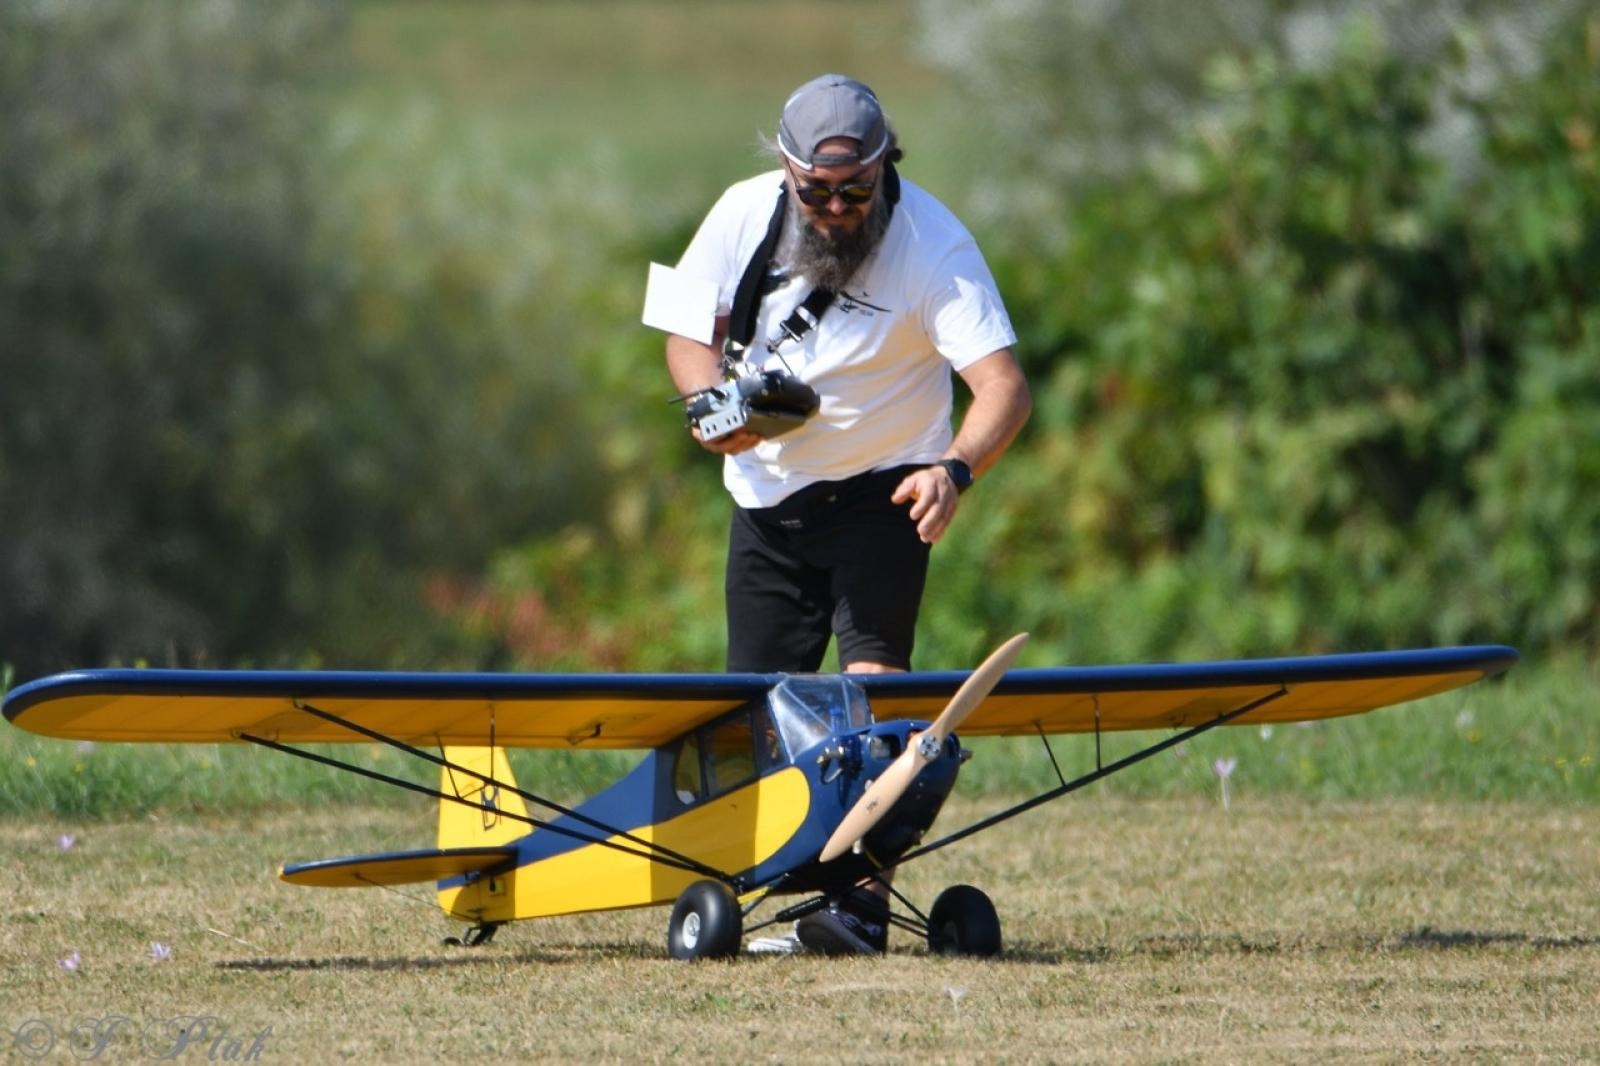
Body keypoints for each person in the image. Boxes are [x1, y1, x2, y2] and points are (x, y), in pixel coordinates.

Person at [663, 74, 1031, 954]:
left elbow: (1005, 387)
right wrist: (713, 410)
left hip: (883, 493)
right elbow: (686, 337)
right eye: (815, 192)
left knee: (871, 705)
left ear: (884, 168)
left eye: (855, 191)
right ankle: (766, 903)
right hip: (764, 501)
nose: (834, 209)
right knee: (758, 714)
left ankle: (861, 909)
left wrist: (955, 469)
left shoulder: (934, 245)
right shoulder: (741, 213)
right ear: (785, 171)